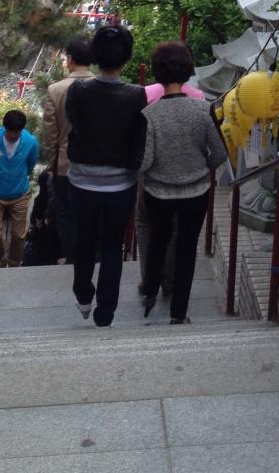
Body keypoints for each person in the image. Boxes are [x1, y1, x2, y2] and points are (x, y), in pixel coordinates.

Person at [140, 40, 227, 325]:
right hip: (196, 191)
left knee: (158, 239)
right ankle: (179, 313)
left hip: (157, 191)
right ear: (188, 70)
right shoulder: (203, 110)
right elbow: (220, 152)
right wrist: (202, 168)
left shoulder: (149, 115)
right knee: (187, 248)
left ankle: (150, 291)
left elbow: (145, 160)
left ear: (157, 73)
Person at [66, 25, 146, 327]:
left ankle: (83, 293)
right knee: (113, 245)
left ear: (95, 56)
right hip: (121, 183)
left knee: (84, 240)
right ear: (126, 57)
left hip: (82, 180)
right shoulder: (136, 95)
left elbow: (73, 120)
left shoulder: (78, 91)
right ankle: (106, 312)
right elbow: (139, 136)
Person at [136, 47, 205, 297]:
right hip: (188, 175)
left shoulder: (145, 95)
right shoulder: (198, 98)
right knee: (176, 228)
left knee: (146, 224)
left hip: (151, 174)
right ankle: (170, 280)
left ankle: (149, 280)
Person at [41, 36, 93, 263]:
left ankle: (72, 257)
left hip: (65, 163)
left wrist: (52, 164)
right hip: (97, 162)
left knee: (65, 212)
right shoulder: (103, 86)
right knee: (92, 212)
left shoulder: (55, 90)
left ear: (70, 59)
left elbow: (50, 135)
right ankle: (92, 255)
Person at [0, 109, 38, 267]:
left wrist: (21, 176)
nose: (13, 135)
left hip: (20, 193)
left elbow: (31, 164)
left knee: (19, 235)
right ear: (4, 128)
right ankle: (0, 254)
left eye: (17, 132)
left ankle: (14, 262)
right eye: (10, 131)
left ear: (22, 129)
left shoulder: (31, 142)